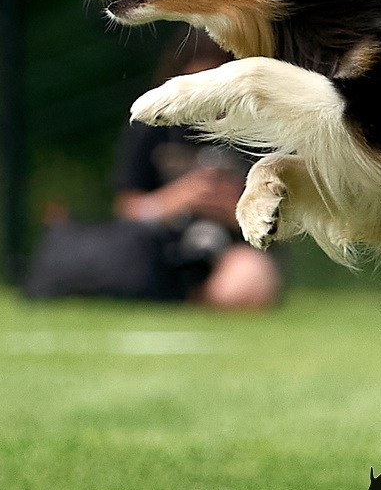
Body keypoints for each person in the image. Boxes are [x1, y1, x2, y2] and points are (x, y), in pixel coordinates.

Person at [111, 31, 283, 309]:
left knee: (247, 283)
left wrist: (234, 209)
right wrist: (177, 199)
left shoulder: (256, 132)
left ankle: (193, 296)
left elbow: (281, 221)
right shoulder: (149, 128)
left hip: (230, 249)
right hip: (160, 246)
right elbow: (126, 209)